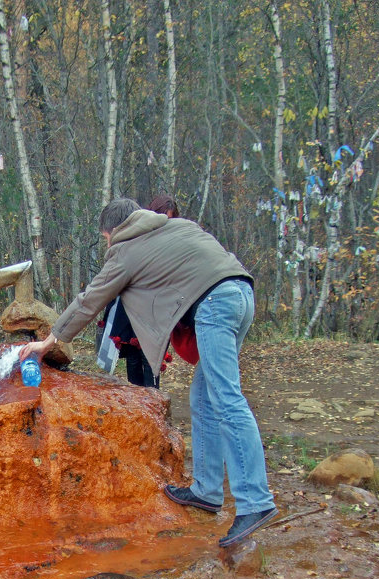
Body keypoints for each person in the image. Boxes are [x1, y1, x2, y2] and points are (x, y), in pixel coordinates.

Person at [19, 198, 277, 548]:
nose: (109, 245)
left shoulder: (127, 249)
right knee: (203, 397)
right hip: (241, 294)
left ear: (112, 232)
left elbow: (90, 299)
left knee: (226, 399)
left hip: (216, 305)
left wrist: (49, 342)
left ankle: (254, 502)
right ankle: (206, 490)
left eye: (106, 239)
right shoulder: (177, 226)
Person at [98, 194, 183, 388]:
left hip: (156, 310)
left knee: (151, 359)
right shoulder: (137, 238)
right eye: (163, 216)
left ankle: (153, 406)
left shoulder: (173, 242)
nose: (166, 221)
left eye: (170, 218)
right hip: (131, 308)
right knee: (133, 359)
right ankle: (137, 405)